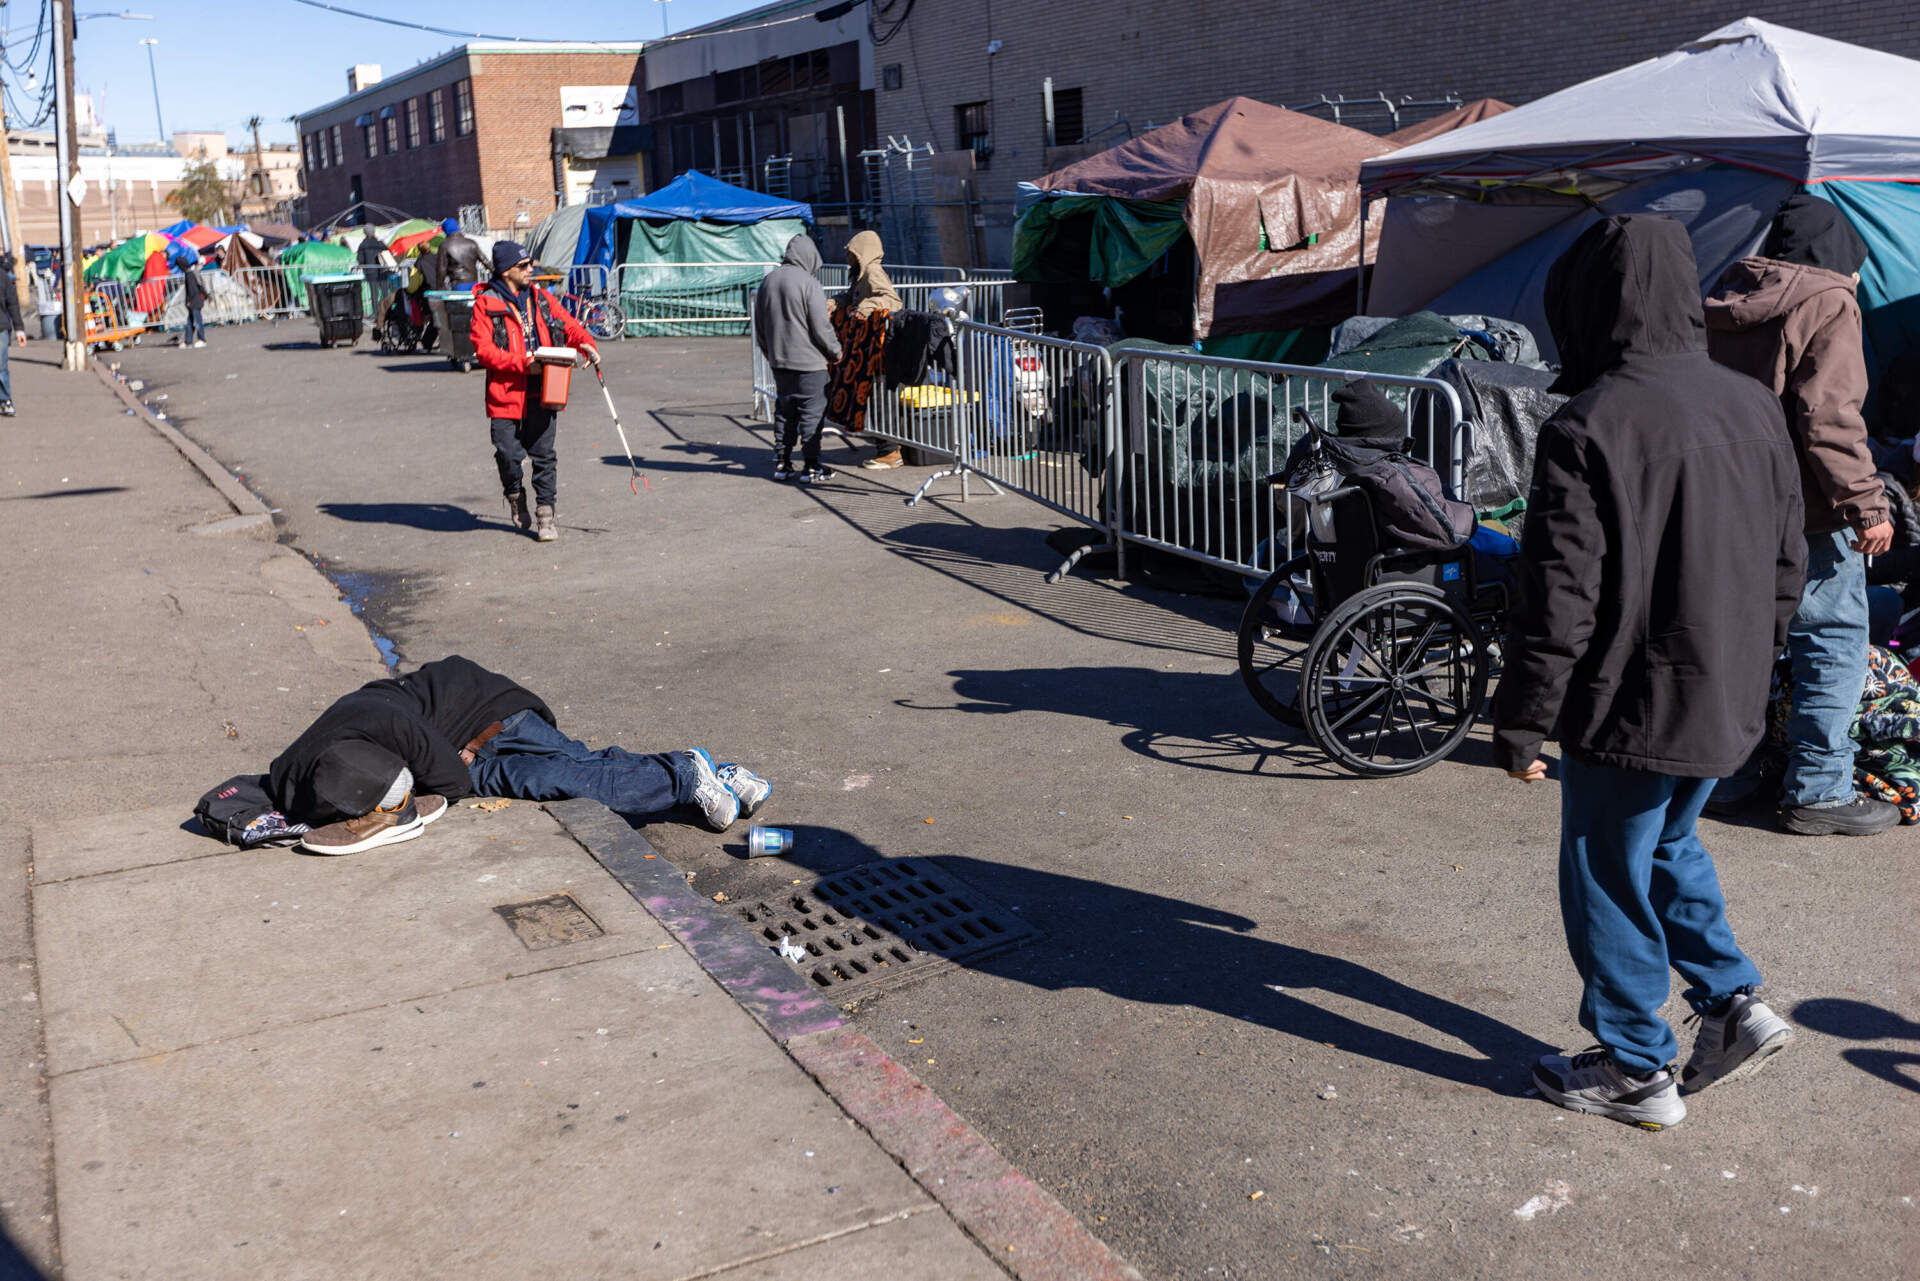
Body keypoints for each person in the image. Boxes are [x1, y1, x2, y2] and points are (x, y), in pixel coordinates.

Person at [1492, 215, 1804, 1131]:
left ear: (1588, 303)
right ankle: (1733, 1001)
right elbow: (1789, 561)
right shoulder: (1752, 402)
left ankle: (1636, 1067)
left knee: (1605, 867)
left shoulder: (1590, 423)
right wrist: (1753, 658)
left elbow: (1559, 600)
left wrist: (1520, 721)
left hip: (1630, 701)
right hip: (1726, 689)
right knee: (1666, 842)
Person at [1703, 194, 1898, 836]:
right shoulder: (1830, 300)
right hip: (1809, 510)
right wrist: (1866, 502)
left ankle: (1728, 778)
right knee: (1832, 640)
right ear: (1842, 253)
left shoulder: (1723, 293)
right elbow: (1829, 417)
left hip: (1730, 499)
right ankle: (1818, 791)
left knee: (1745, 640)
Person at [263, 655, 770, 855]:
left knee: (577, 775)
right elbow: (238, 797)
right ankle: (707, 770)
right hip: (462, 740)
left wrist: (426, 784)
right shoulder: (294, 776)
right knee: (578, 771)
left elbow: (451, 786)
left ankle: (685, 775)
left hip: (486, 718)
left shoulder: (382, 722)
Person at [470, 240, 599, 542]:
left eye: (531, 264)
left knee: (544, 456)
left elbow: (568, 325)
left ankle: (545, 515)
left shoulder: (541, 298)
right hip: (506, 394)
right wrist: (523, 364)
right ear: (505, 271)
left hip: (544, 391)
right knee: (507, 455)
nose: (531, 270)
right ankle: (515, 495)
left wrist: (587, 343)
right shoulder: (485, 304)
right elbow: (484, 352)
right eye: (524, 266)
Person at [752, 233, 841, 482]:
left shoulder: (767, 282)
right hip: (810, 363)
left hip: (780, 361)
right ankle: (811, 466)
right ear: (809, 256)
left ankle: (783, 463)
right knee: (811, 415)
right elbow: (821, 326)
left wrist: (770, 353)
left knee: (785, 413)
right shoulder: (808, 283)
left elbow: (759, 326)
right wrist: (835, 352)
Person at [835, 230, 907, 470]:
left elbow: (892, 300)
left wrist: (866, 307)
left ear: (862, 252)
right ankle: (884, 445)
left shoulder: (873, 271)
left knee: (881, 397)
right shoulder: (861, 274)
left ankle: (890, 452)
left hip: (880, 347)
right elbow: (851, 297)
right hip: (868, 347)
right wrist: (836, 302)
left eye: (851, 251)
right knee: (872, 396)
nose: (846, 255)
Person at [0, 253, 24, 416]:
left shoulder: (2, 276)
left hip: (0, 327)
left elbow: (12, 303)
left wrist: (19, 328)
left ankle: (4, 400)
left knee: (1, 368)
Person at [436, 218, 484, 289]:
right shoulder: (471, 243)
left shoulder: (444, 245)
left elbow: (441, 269)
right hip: (474, 283)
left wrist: (439, 287)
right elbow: (485, 260)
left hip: (457, 283)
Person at [181, 260, 208, 349]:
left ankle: (201, 339)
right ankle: (188, 341)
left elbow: (192, 289)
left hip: (194, 301)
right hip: (196, 300)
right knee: (191, 321)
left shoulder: (189, 274)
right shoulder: (192, 273)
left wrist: (189, 300)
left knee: (196, 321)